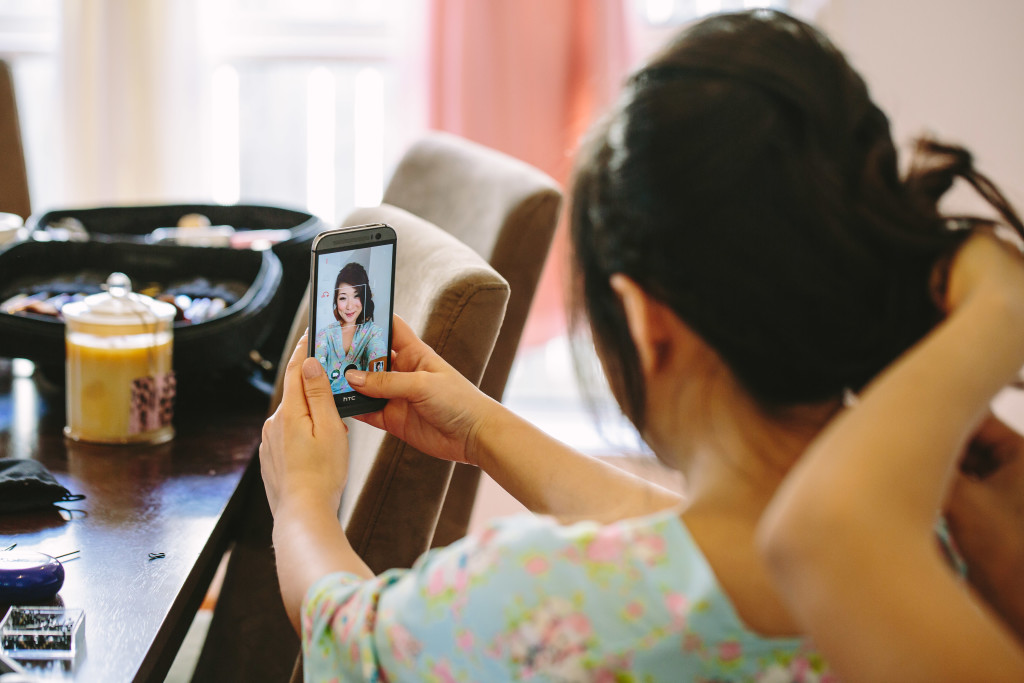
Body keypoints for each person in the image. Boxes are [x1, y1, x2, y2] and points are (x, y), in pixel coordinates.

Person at [259, 9, 1024, 681]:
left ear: (645, 319)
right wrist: (480, 426)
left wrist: (304, 508)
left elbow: (350, 633)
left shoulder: (532, 604)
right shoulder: (937, 555)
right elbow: (678, 547)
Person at [313, 261, 387, 393]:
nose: (349, 306)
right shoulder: (325, 334)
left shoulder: (372, 332)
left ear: (364, 298)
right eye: (343, 298)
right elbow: (317, 374)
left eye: (356, 296)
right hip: (327, 405)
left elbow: (378, 365)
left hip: (364, 406)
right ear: (336, 300)